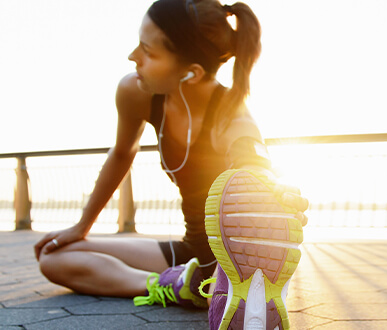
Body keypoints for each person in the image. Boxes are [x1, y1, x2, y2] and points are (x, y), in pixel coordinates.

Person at [32, 1, 308, 329]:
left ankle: (232, 287)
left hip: (233, 262)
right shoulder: (136, 92)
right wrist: (81, 227)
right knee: (54, 256)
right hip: (190, 250)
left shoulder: (232, 114)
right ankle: (178, 284)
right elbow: (122, 153)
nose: (133, 56)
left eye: (148, 51)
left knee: (58, 257)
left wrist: (279, 197)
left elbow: (255, 164)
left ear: (191, 72)